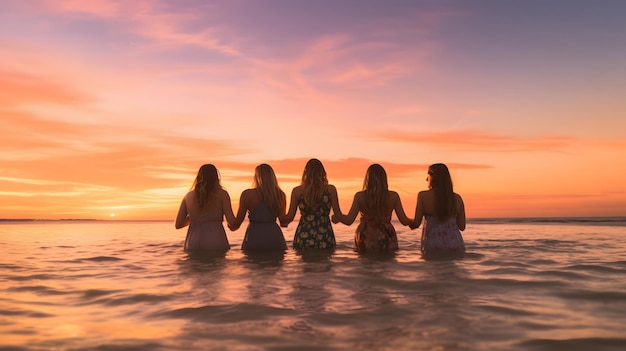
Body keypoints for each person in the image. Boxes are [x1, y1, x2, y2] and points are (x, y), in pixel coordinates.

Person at [332, 164, 413, 253]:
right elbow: (404, 221)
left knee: (366, 264)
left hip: (366, 235)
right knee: (386, 263)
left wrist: (338, 217)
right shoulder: (393, 196)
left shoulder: (360, 197)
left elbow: (349, 220)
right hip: (386, 235)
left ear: (367, 179)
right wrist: (414, 221)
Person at [281, 158, 342, 250]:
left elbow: (289, 218)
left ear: (305, 173)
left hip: (303, 235)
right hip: (325, 235)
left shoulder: (297, 191)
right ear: (322, 172)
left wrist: (279, 212)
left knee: (305, 263)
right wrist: (335, 218)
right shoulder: (330, 190)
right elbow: (338, 216)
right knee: (325, 263)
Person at [175, 164, 236, 252]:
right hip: (216, 242)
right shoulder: (222, 194)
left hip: (192, 244)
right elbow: (232, 221)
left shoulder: (188, 196)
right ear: (216, 177)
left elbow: (178, 224)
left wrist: (193, 218)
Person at [411, 163, 466, 257]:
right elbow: (462, 226)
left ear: (434, 177)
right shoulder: (457, 198)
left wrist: (406, 221)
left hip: (433, 244)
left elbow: (416, 223)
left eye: (428, 175)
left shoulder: (423, 196)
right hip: (455, 244)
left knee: (434, 271)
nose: (426, 179)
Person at [231, 164, 288, 251]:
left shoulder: (247, 195)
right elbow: (283, 223)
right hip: (274, 237)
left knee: (252, 262)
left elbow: (237, 223)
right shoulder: (280, 195)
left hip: (254, 236)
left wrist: (230, 225)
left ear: (256, 177)